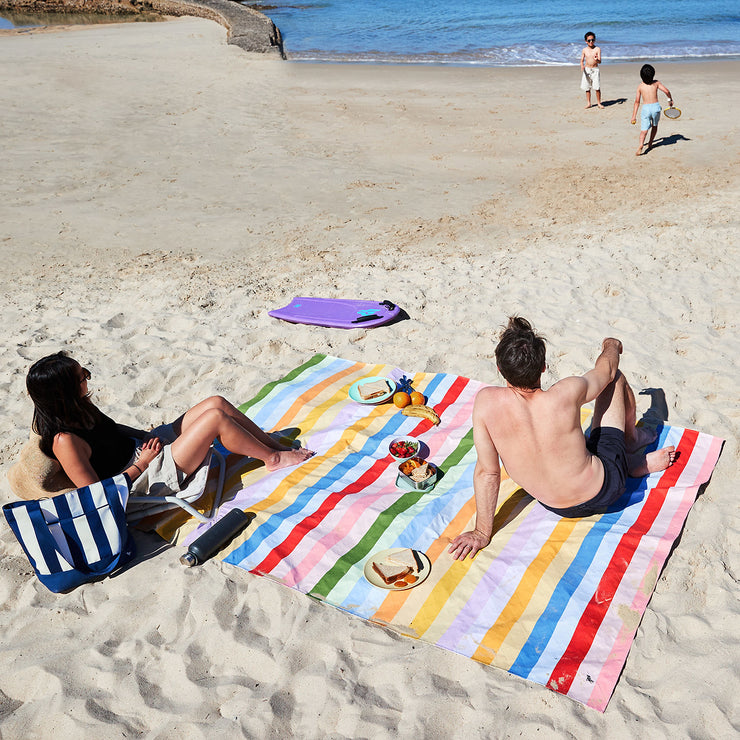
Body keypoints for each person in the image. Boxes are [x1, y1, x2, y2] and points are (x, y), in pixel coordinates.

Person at [448, 317, 676, 561]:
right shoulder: (567, 392)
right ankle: (630, 443)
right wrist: (611, 345)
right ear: (544, 367)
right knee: (615, 379)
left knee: (580, 446)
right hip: (608, 487)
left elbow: (488, 473)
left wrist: (483, 532)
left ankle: (628, 460)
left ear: (500, 369)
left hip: (557, 505)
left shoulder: (485, 403)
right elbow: (607, 371)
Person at [25, 352, 314, 494]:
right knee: (215, 420)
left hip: (145, 448)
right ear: (64, 392)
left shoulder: (80, 407)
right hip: (143, 476)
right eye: (82, 376)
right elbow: (97, 495)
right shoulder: (66, 441)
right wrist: (144, 463)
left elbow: (112, 431)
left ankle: (272, 444)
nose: (88, 378)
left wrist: (147, 436)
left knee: (216, 403)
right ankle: (273, 458)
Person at [631, 64, 674, 156]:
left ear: (641, 75)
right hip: (655, 108)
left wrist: (634, 116)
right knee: (654, 126)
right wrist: (670, 100)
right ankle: (650, 143)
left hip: (646, 109)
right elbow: (667, 91)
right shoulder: (656, 83)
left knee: (644, 130)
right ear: (653, 74)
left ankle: (641, 144)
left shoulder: (640, 86)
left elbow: (637, 102)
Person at [580, 32, 603, 109]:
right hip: (587, 69)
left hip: (595, 69)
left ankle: (599, 103)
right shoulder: (584, 50)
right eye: (589, 40)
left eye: (592, 40)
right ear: (586, 41)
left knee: (597, 87)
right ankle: (589, 103)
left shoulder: (597, 49)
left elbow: (600, 61)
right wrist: (582, 66)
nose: (591, 42)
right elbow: (582, 60)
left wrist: (596, 60)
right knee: (587, 87)